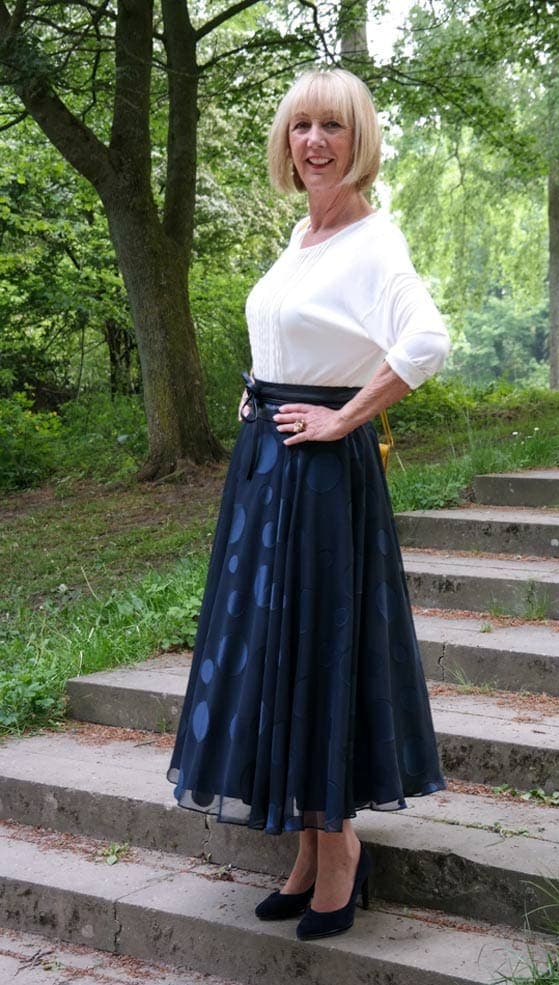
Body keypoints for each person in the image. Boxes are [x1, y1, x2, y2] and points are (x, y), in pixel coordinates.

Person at [166, 67, 450, 942]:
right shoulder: (303, 234)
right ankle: (305, 846)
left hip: (321, 484)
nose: (314, 142)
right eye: (300, 127)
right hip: (265, 475)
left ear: (357, 140)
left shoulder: (374, 239)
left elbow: (427, 340)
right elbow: (289, 335)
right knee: (271, 650)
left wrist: (344, 418)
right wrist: (260, 396)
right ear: (286, 142)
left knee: (318, 650)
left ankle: (341, 853)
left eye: (331, 126)